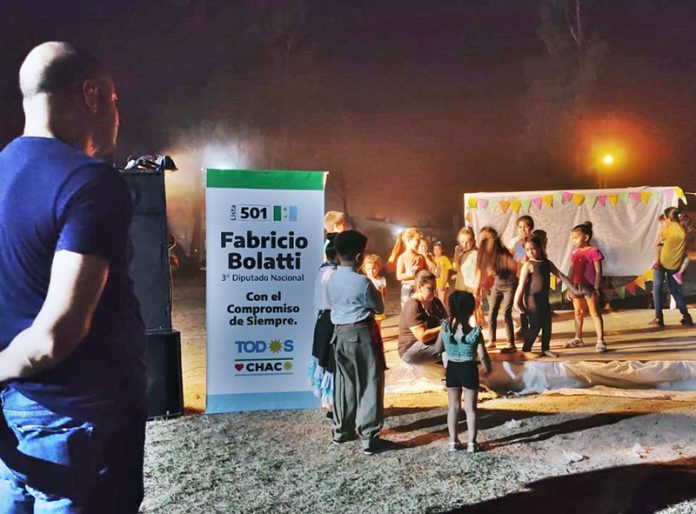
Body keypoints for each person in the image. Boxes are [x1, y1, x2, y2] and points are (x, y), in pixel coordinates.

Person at [0, 42, 146, 513]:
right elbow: (55, 335)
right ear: (92, 95)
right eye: (115, 99)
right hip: (78, 421)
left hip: (15, 411)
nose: (117, 115)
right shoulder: (90, 182)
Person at [327, 230, 391, 455]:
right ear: (359, 256)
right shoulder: (362, 282)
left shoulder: (331, 278)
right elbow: (379, 308)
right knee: (369, 384)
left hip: (339, 334)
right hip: (362, 333)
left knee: (345, 384)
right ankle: (369, 437)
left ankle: (342, 430)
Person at [436, 291, 491, 453]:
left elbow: (438, 348)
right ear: (471, 310)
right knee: (470, 408)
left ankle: (453, 441)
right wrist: (487, 369)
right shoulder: (475, 333)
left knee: (453, 407)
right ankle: (472, 443)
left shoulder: (445, 329)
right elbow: (483, 355)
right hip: (469, 369)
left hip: (452, 368)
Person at [514, 235, 573, 358]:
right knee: (536, 325)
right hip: (531, 299)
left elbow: (561, 276)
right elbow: (521, 285)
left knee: (547, 324)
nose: (530, 252)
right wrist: (516, 301)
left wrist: (572, 288)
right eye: (527, 250)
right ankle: (526, 349)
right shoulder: (528, 265)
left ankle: (545, 348)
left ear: (540, 248)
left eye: (533, 248)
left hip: (543, 299)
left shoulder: (547, 263)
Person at [308, 234, 339, 416]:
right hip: (331, 321)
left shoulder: (322, 271)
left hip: (322, 320)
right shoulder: (334, 274)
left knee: (324, 360)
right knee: (331, 363)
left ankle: (329, 404)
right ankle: (333, 406)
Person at [565, 222, 607, 352]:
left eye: (576, 238)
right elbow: (571, 270)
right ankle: (578, 338)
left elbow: (598, 272)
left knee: (595, 312)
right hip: (575, 286)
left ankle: (600, 340)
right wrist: (569, 287)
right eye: (573, 238)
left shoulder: (594, 251)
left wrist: (597, 287)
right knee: (578, 313)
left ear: (586, 237)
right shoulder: (574, 253)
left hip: (589, 286)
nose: (574, 241)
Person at [651, 207, 694, 327]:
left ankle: (659, 318)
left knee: (657, 289)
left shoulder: (668, 229)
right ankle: (687, 317)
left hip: (661, 262)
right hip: (675, 264)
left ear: (668, 218)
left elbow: (657, 243)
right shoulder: (683, 230)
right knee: (675, 291)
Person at [476, 227, 518, 351]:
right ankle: (492, 340)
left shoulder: (502, 251)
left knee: (506, 312)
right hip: (497, 285)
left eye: (488, 237)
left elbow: (513, 266)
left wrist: (504, 262)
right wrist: (478, 289)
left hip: (509, 284)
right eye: (483, 238)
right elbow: (482, 270)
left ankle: (511, 343)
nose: (485, 240)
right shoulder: (484, 253)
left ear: (494, 238)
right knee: (492, 312)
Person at [398, 270, 447, 365]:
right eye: (430, 289)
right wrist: (444, 327)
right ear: (419, 287)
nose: (434, 292)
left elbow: (445, 319)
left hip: (431, 343)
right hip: (411, 349)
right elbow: (423, 336)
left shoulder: (435, 302)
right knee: (450, 348)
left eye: (435, 288)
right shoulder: (413, 305)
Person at [388, 228, 436, 307]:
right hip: (407, 288)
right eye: (417, 240)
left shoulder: (420, 257)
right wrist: (411, 274)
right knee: (407, 309)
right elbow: (399, 276)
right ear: (408, 240)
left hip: (419, 288)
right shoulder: (402, 257)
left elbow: (431, 269)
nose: (419, 243)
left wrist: (425, 257)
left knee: (420, 309)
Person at [452, 227, 483, 324]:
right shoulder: (461, 254)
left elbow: (480, 271)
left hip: (472, 287)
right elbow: (455, 268)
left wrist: (477, 287)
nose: (464, 245)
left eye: (467, 242)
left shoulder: (476, 254)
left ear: (473, 241)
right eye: (462, 242)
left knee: (472, 311)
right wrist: (456, 256)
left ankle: (474, 329)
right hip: (461, 287)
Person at [361, 254, 387, 328]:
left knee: (378, 325)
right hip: (368, 306)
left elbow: (385, 293)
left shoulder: (381, 280)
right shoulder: (364, 280)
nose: (371, 271)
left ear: (379, 268)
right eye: (368, 269)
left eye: (374, 268)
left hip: (378, 306)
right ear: (364, 269)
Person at [432, 241, 453, 305]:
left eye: (438, 249)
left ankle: (443, 311)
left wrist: (444, 283)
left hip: (442, 283)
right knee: (434, 301)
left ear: (442, 250)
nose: (436, 251)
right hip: (434, 284)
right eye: (435, 249)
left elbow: (447, 272)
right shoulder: (432, 259)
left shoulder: (444, 258)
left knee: (441, 301)